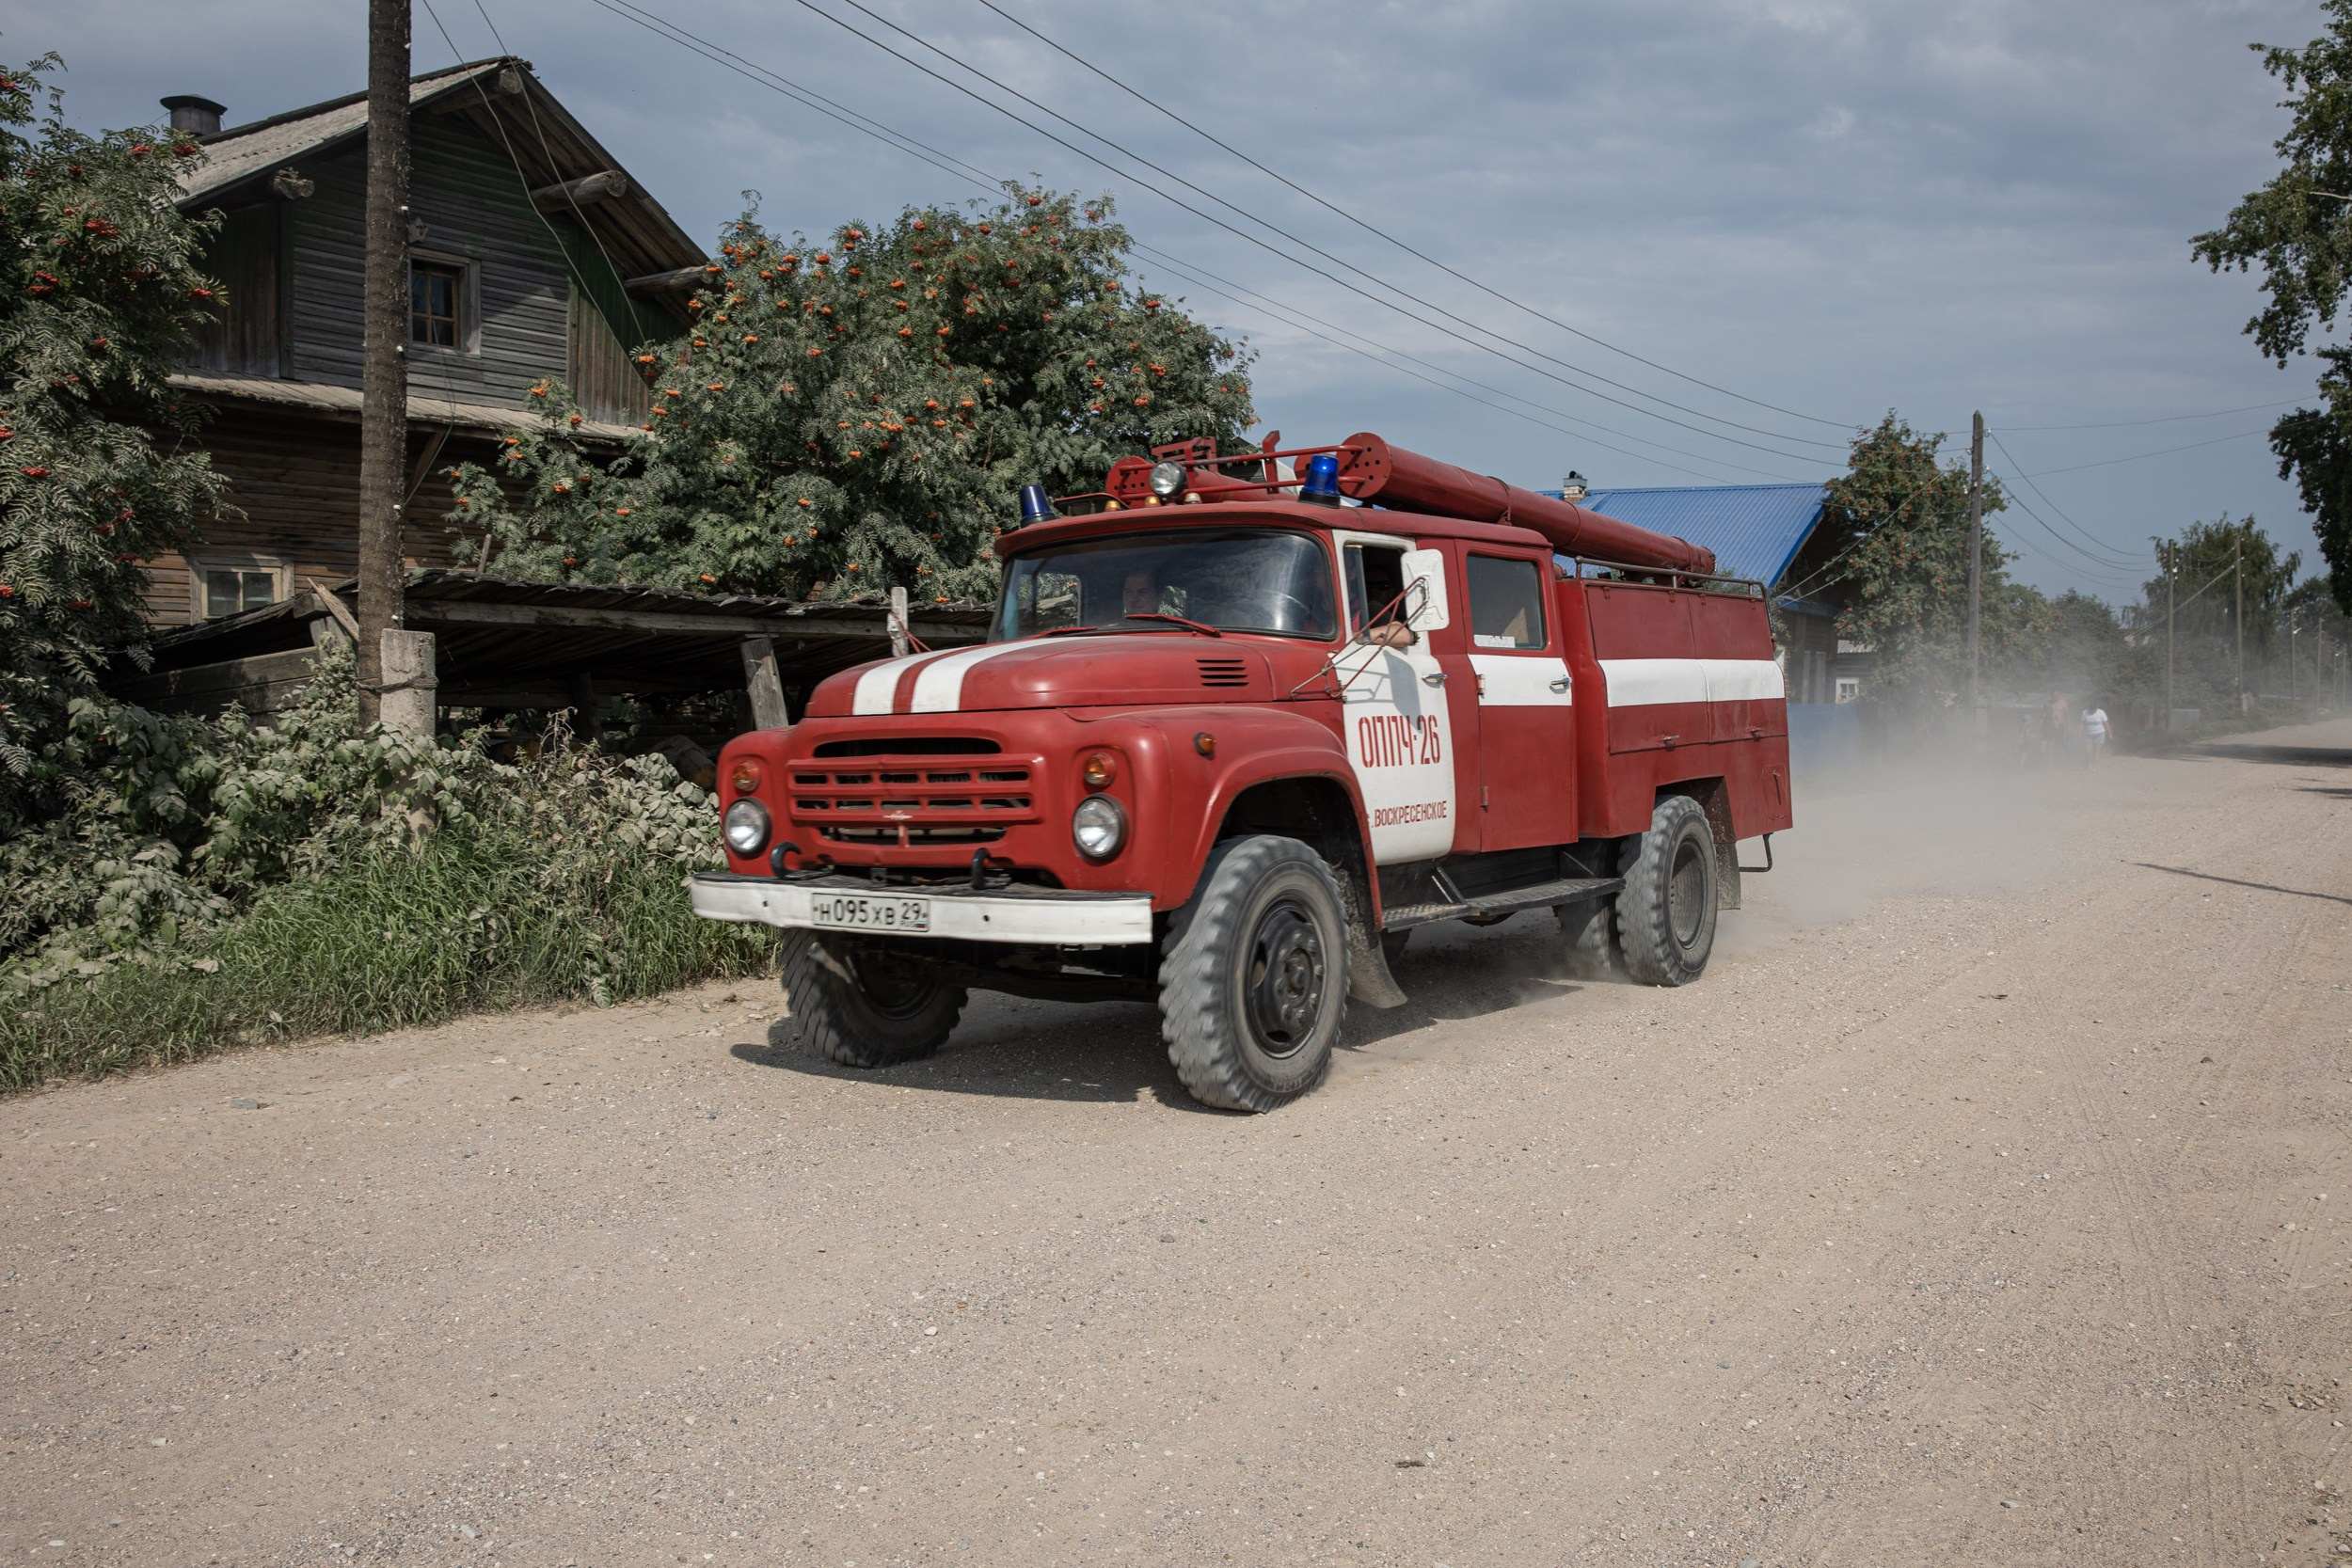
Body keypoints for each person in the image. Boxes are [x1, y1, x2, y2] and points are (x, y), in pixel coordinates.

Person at [2081, 701, 2109, 766]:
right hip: (2088, 734)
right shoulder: (2085, 712)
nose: (2092, 711)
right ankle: (2087, 763)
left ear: (2096, 708)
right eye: (2091, 709)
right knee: (2088, 751)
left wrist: (2109, 733)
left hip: (2100, 733)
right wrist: (2080, 732)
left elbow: (2106, 723)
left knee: (2097, 751)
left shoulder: (2101, 712)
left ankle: (2094, 766)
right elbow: (2082, 723)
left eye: (2093, 709)